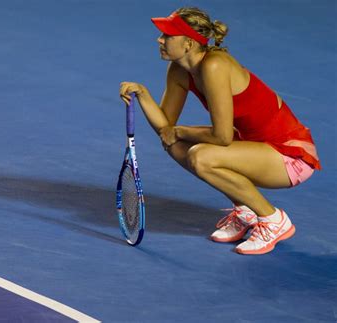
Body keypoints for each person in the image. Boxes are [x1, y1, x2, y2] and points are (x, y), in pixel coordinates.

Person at [119, 7, 321, 255]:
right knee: (175, 145)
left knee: (201, 156)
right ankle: (245, 210)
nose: (160, 40)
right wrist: (143, 94)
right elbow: (166, 130)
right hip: (253, 147)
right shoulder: (179, 70)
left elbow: (222, 137)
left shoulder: (215, 65)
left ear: (189, 44)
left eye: (168, 35)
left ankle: (273, 220)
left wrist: (180, 130)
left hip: (289, 156)